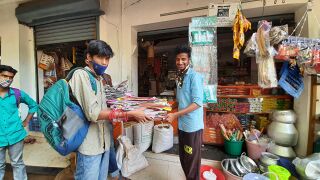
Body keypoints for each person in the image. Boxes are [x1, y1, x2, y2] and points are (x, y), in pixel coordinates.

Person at [69, 40, 150, 180]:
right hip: (90, 146)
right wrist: (129, 113)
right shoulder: (81, 76)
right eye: (101, 57)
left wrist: (132, 114)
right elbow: (93, 113)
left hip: (104, 143)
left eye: (107, 59)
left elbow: (105, 109)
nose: (105, 63)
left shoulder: (99, 79)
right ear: (89, 57)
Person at [165, 45, 204, 180]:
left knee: (192, 162)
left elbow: (197, 103)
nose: (180, 62)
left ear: (189, 60)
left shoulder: (194, 77)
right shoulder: (180, 77)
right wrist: (168, 108)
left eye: (183, 59)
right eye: (177, 59)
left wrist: (175, 115)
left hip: (192, 127)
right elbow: (180, 100)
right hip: (183, 125)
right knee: (184, 158)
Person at [0, 65, 38, 180]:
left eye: (11, 77)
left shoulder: (17, 94)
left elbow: (33, 105)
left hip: (16, 134)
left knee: (17, 163)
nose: (8, 79)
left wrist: (26, 121)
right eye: (4, 76)